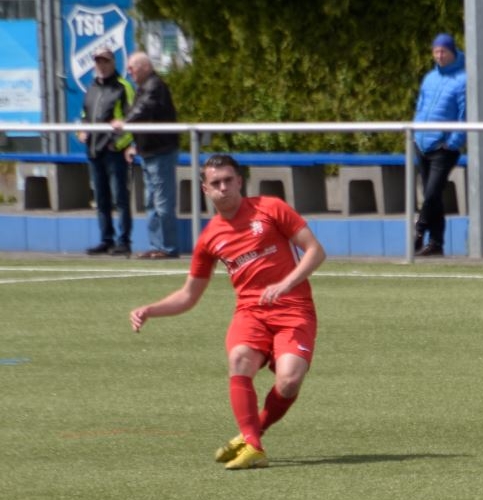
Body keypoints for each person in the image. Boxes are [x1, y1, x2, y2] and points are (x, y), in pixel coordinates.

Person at [127, 154, 326, 470]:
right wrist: (151, 309)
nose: (224, 188)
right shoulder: (209, 238)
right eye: (216, 183)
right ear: (205, 189)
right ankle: (254, 447)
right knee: (239, 360)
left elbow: (315, 251)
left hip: (294, 310)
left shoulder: (271, 208)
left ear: (239, 181)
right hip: (250, 313)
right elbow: (189, 295)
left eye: (228, 180)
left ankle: (251, 434)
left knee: (289, 381)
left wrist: (286, 284)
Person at [111, 51, 180, 259]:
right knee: (151, 203)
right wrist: (135, 146)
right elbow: (143, 116)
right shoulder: (144, 87)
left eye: (132, 67)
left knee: (162, 203)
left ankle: (167, 248)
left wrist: (124, 123)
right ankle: (157, 245)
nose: (129, 71)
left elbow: (143, 110)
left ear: (145, 67)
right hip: (149, 152)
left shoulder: (154, 86)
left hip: (161, 152)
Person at [413, 33, 467, 256]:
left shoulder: (463, 79)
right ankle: (436, 243)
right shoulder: (429, 78)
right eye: (436, 51)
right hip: (422, 144)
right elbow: (420, 107)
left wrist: (452, 143)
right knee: (432, 195)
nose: (439, 55)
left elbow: (465, 115)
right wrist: (415, 133)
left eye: (443, 51)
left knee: (432, 193)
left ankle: (419, 230)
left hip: (443, 148)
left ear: (452, 52)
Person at [78, 44, 135, 256]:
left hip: (114, 152)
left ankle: (124, 241)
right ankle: (106, 239)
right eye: (98, 61)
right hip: (94, 151)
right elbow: (85, 116)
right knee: (101, 199)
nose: (101, 65)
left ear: (113, 62)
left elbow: (131, 119)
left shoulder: (123, 87)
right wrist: (82, 132)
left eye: (105, 61)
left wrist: (118, 144)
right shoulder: (91, 87)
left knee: (120, 198)